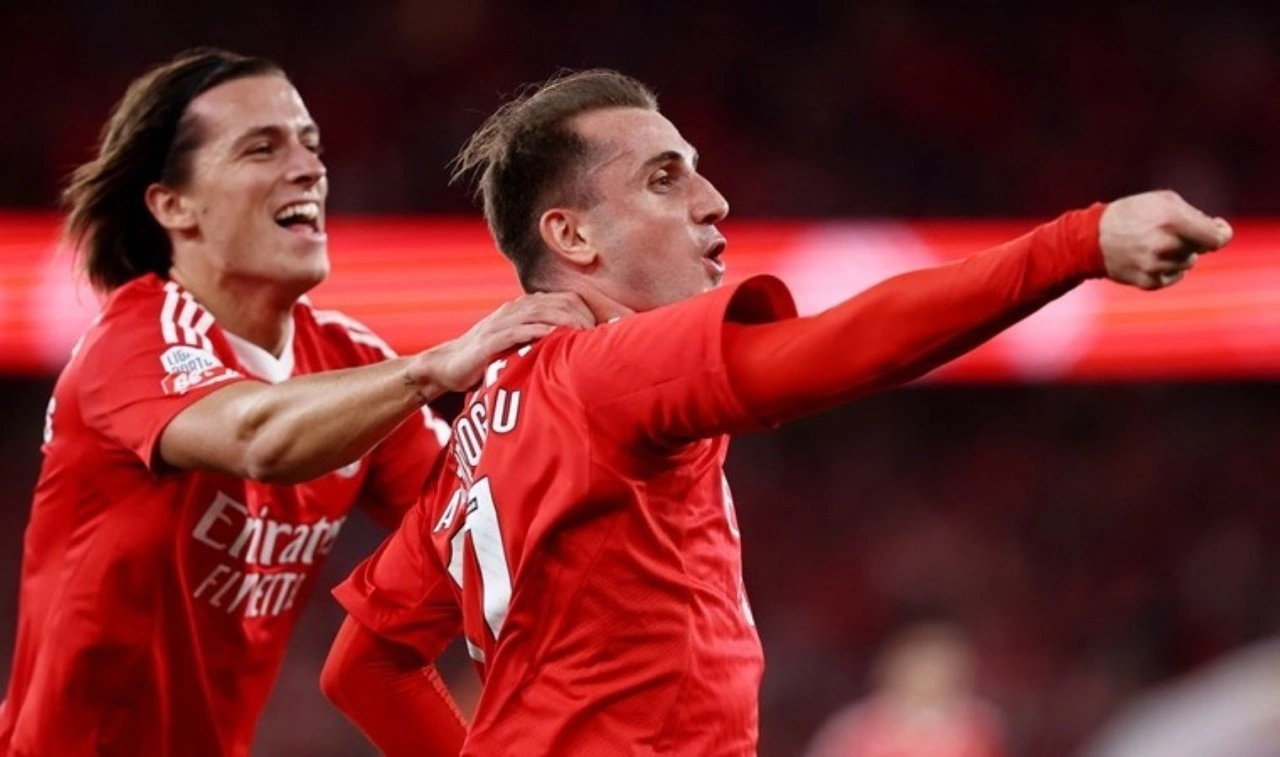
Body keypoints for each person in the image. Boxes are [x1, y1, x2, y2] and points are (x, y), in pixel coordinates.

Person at [320, 69, 1233, 756]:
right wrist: (1076, 243)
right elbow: (837, 347)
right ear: (572, 235)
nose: (713, 201)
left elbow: (362, 664)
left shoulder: (480, 436)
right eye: (664, 179)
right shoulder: (605, 369)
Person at [0, 49, 591, 757]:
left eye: (311, 144)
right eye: (262, 148)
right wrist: (434, 368)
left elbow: (481, 515)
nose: (309, 168)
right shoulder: (133, 340)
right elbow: (257, 436)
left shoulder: (347, 359)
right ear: (172, 205)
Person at [806, 621, 1007, 757]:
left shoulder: (980, 727)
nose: (933, 677)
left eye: (946, 666)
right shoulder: (855, 731)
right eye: (922, 665)